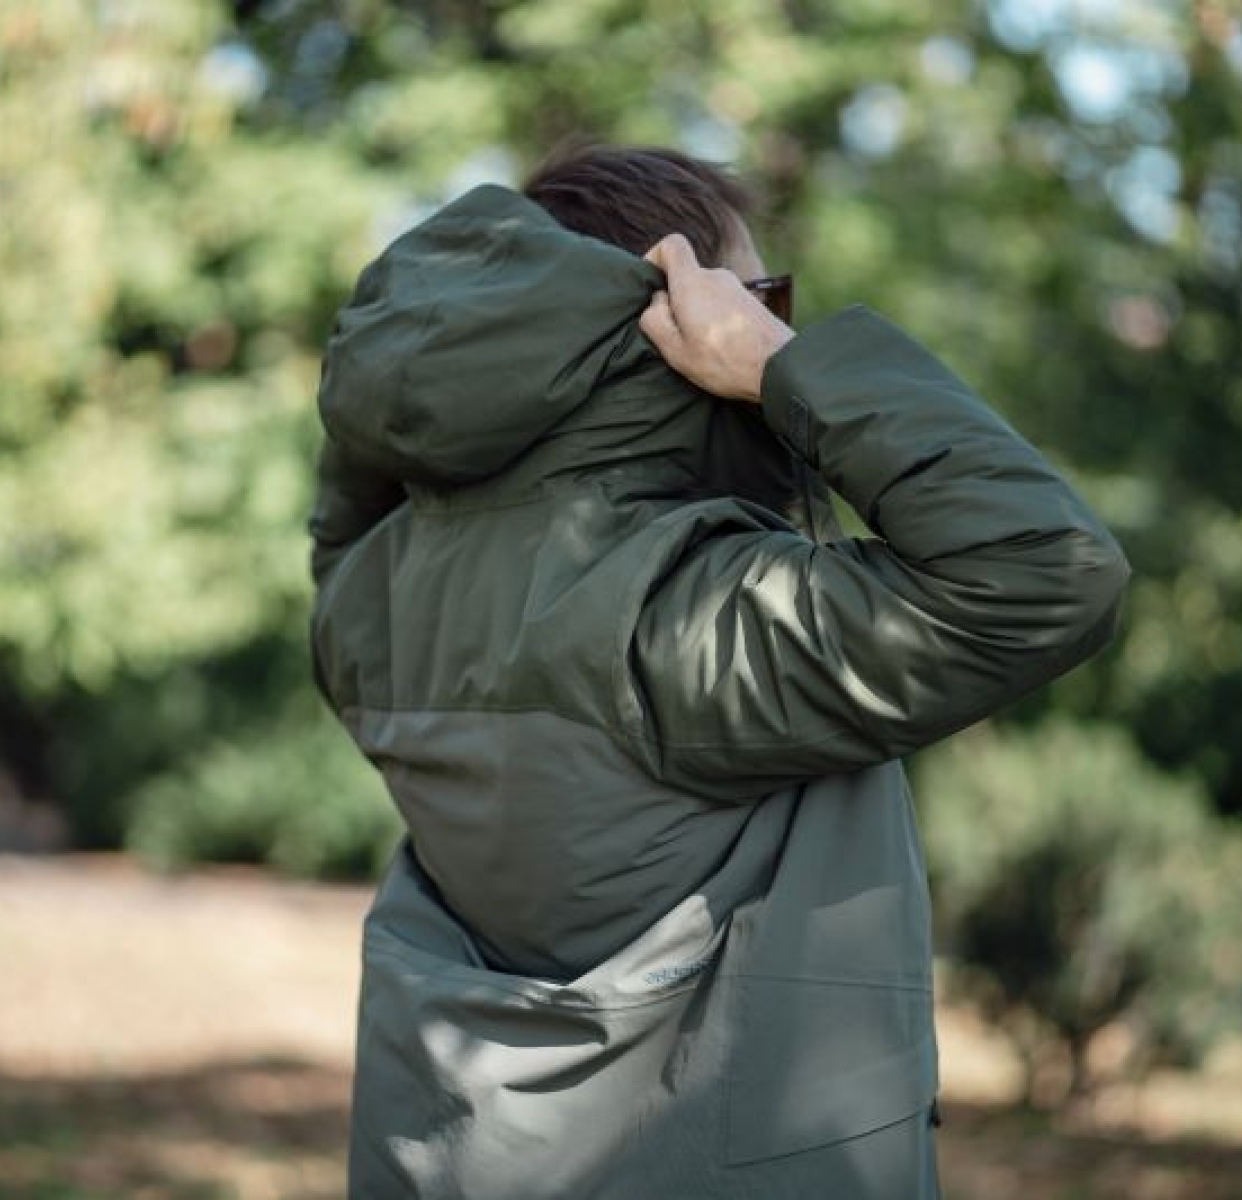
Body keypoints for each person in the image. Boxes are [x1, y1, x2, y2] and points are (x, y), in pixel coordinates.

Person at [309, 144, 1130, 1198]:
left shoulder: (375, 606)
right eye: (756, 301)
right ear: (676, 327)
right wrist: (787, 370)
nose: (768, 326)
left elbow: (341, 526)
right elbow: (1047, 568)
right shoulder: (692, 611)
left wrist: (396, 382)